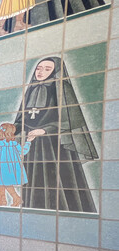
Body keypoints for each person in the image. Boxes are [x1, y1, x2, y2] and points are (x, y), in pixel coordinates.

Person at [14, 57, 98, 212]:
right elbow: (23, 117)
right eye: (39, 68)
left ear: (55, 71)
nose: (41, 72)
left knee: (58, 181)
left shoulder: (61, 87)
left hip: (55, 144)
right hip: (33, 144)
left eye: (47, 69)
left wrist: (45, 130)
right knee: (35, 180)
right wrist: (13, 130)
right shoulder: (32, 88)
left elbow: (71, 119)